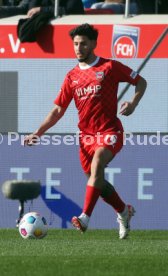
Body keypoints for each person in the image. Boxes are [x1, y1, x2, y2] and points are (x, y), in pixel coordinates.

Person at [24, 23, 147, 239]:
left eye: (83, 43)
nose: (78, 48)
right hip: (86, 138)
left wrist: (133, 104)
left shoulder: (109, 67)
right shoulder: (72, 76)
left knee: (99, 161)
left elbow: (141, 82)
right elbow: (58, 110)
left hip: (110, 130)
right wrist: (38, 132)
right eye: (75, 44)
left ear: (93, 44)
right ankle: (123, 211)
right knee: (95, 181)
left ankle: (84, 217)